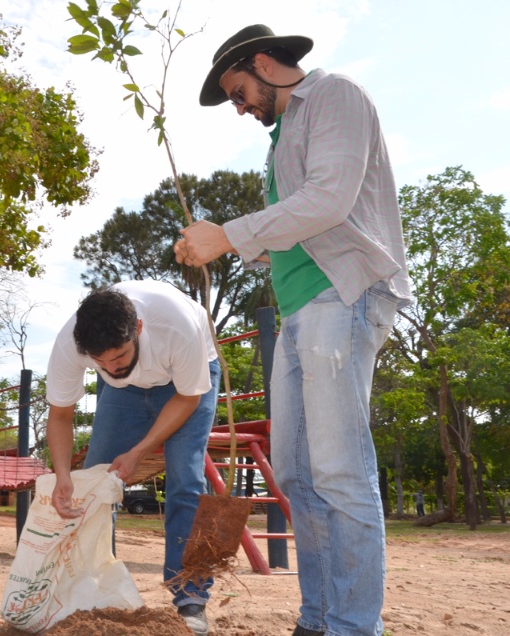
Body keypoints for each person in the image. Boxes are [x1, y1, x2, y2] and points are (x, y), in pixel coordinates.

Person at [174, 24, 413, 636]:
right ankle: (318, 620)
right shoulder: (280, 142)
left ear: (263, 63)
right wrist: (226, 244)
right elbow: (290, 233)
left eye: (238, 91)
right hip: (300, 310)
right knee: (299, 477)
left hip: (346, 296)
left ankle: (355, 626)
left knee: (339, 472)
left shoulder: (334, 96)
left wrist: (229, 234)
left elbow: (330, 198)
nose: (239, 106)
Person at [45, 280, 219, 636]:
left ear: (137, 328)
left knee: (186, 479)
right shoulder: (70, 343)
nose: (113, 366)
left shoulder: (177, 325)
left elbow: (188, 399)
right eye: (101, 361)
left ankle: (191, 598)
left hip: (183, 383)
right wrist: (64, 474)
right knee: (94, 481)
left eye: (120, 356)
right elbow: (60, 415)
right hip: (122, 396)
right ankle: (92, 589)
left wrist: (139, 451)